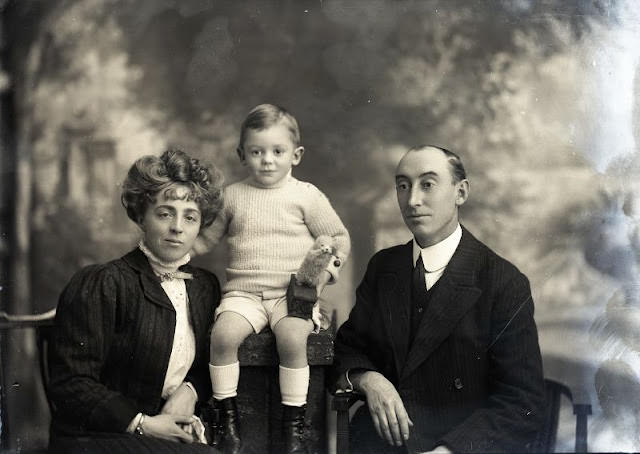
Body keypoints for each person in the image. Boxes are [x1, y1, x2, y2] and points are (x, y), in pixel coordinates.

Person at [332, 145, 545, 453]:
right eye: (403, 186)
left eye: (428, 184)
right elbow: (347, 348)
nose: (413, 200)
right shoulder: (384, 267)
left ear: (461, 192)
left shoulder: (502, 282)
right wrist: (369, 380)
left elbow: (523, 402)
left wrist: (449, 451)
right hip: (378, 445)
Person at [48, 149, 223, 453]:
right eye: (165, 213)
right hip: (99, 437)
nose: (177, 227)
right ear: (142, 216)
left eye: (190, 217)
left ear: (200, 224)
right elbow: (71, 383)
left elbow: (211, 362)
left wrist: (191, 389)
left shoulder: (204, 287)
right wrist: (142, 422)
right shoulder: (105, 283)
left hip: (166, 434)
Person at [200, 104, 351, 454]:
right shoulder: (233, 196)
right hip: (245, 293)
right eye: (257, 152)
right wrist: (179, 251)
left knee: (293, 339)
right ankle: (228, 417)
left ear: (295, 155)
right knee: (222, 337)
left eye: (277, 152)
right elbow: (207, 238)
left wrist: (329, 270)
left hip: (291, 293)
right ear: (242, 155)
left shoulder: (305, 195)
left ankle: (293, 424)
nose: (267, 160)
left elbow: (338, 237)